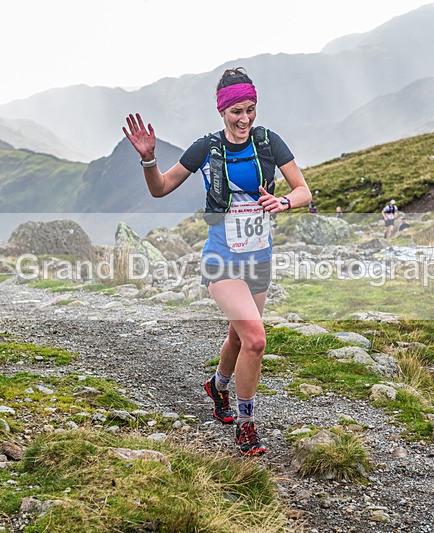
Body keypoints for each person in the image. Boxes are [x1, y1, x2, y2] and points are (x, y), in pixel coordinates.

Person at [123, 67, 311, 456]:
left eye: (251, 109)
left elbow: (303, 190)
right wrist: (148, 160)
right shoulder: (205, 149)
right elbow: (160, 189)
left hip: (259, 257)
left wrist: (284, 202)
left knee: (238, 337)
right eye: (236, 112)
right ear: (221, 111)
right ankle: (246, 424)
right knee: (256, 340)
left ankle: (217, 386)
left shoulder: (268, 143)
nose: (244, 119)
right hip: (221, 260)